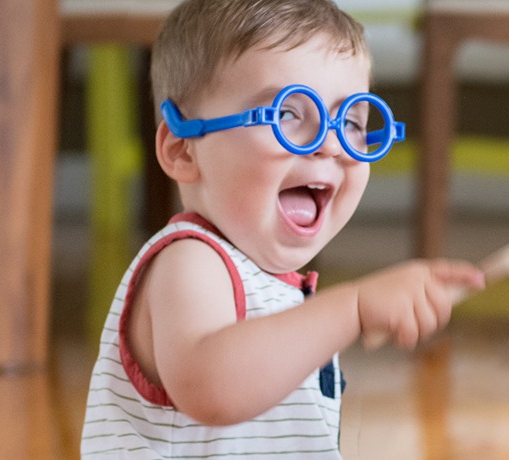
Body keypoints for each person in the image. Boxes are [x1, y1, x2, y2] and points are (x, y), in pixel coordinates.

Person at [81, 0, 484, 456]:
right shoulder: (189, 260)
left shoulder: (276, 289)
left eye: (352, 121)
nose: (331, 145)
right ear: (183, 151)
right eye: (288, 115)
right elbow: (214, 388)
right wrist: (351, 308)